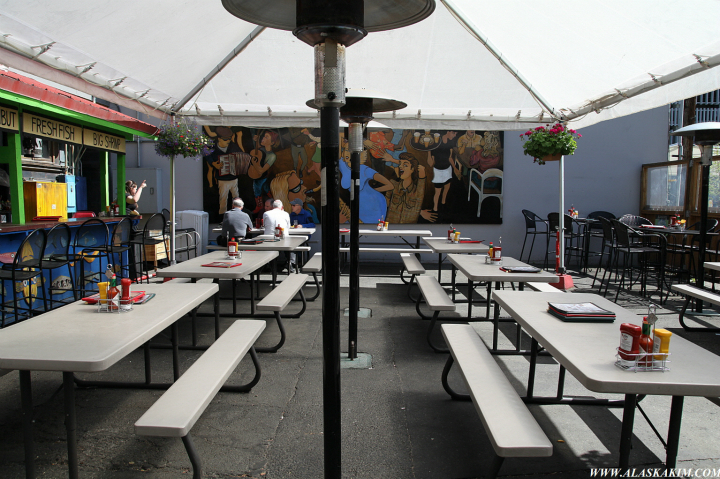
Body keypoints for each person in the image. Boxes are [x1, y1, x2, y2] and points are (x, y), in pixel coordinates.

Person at [263, 199, 294, 270]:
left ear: (272, 207)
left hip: (268, 239)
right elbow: (288, 227)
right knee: (289, 244)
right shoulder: (286, 214)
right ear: (282, 207)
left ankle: (268, 264)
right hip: (283, 239)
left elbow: (264, 225)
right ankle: (289, 263)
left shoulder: (266, 214)